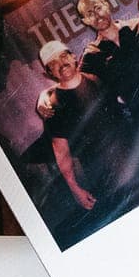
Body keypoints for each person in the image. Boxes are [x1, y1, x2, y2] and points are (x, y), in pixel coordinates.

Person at [36, 40, 104, 212]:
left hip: (134, 152)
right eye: (53, 64)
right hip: (100, 171)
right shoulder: (52, 106)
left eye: (63, 56)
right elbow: (62, 153)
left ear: (74, 57)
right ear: (49, 73)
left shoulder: (97, 76)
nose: (61, 64)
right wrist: (75, 190)